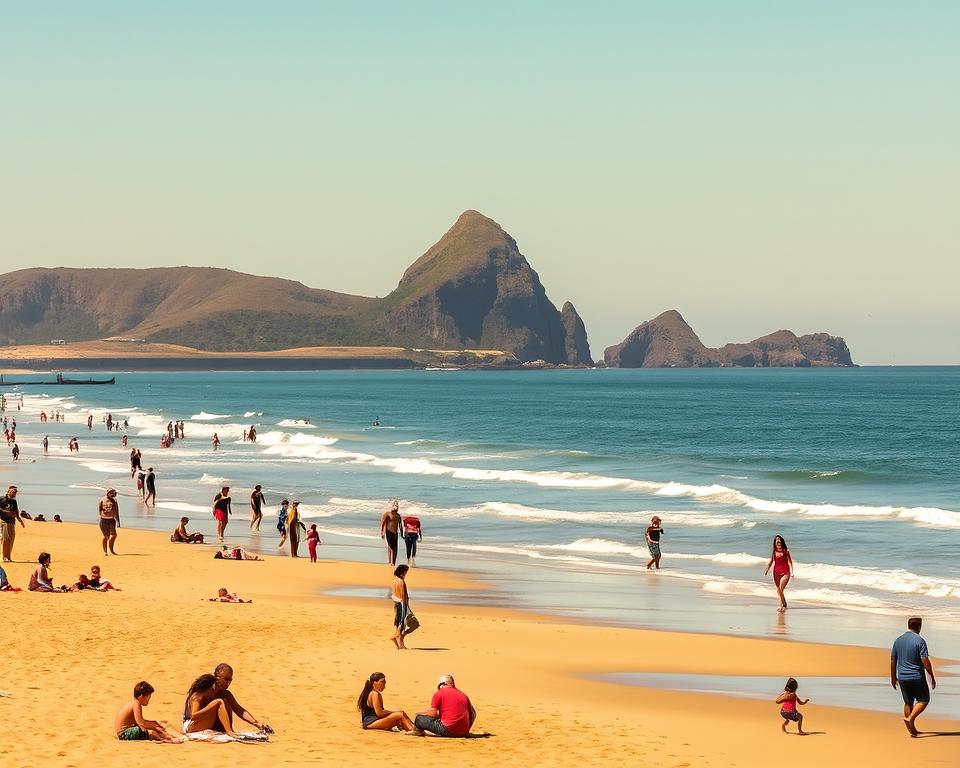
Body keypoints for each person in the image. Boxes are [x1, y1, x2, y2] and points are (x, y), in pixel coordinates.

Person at [183, 663, 271, 734]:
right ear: (217, 677)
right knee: (219, 702)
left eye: (230, 680)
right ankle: (229, 732)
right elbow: (193, 715)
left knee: (226, 702)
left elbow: (239, 710)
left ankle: (227, 730)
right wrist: (213, 705)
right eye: (226, 679)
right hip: (192, 725)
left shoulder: (225, 693)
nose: (229, 683)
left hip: (207, 724)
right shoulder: (202, 691)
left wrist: (257, 723)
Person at [892, 616, 936, 736]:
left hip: (902, 677)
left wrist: (893, 677)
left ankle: (912, 730)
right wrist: (931, 675)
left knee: (908, 702)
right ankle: (910, 718)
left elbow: (893, 660)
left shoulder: (898, 640)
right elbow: (924, 659)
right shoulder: (920, 641)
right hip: (916, 676)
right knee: (924, 699)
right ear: (919, 627)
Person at [115, 681, 182, 742]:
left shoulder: (133, 703)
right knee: (151, 731)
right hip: (124, 734)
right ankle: (168, 739)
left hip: (125, 732)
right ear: (141, 696)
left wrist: (153, 724)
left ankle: (169, 737)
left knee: (154, 726)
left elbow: (140, 722)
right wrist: (154, 726)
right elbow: (141, 723)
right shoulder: (136, 704)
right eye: (148, 697)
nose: (149, 700)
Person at [764, 535, 794, 612]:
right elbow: (771, 562)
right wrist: (767, 570)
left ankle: (781, 607)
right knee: (778, 590)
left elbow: (790, 562)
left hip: (786, 571)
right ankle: (784, 603)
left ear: (781, 542)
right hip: (776, 572)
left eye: (779, 540)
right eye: (776, 540)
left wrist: (792, 572)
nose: (778, 541)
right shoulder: (774, 551)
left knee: (781, 588)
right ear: (775, 543)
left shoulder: (786, 551)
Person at [1, 485, 25, 563]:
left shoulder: (14, 502)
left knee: (11, 539)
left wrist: (21, 521)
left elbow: (16, 513)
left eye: (15, 493)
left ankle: (8, 556)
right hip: (4, 521)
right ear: (8, 492)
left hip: (12, 522)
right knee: (6, 539)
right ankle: (4, 557)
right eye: (13, 492)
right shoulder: (1, 499)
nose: (15, 494)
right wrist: (5, 512)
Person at [391, 564, 411, 650]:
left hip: (397, 604)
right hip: (402, 605)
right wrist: (407, 607)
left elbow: (393, 594)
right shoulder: (401, 582)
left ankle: (399, 644)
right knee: (402, 624)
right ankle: (397, 638)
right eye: (405, 572)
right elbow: (403, 596)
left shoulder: (396, 580)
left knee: (399, 623)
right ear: (402, 573)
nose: (406, 574)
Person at [98, 488, 121, 556]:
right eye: (111, 493)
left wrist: (118, 521)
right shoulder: (102, 499)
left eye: (113, 493)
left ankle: (111, 550)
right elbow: (99, 510)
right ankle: (105, 551)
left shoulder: (114, 501)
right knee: (106, 536)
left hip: (111, 520)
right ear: (107, 493)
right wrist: (103, 515)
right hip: (103, 520)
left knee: (114, 535)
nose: (112, 494)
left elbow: (117, 512)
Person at [380, 500, 401, 566]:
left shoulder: (398, 515)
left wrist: (403, 533)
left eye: (397, 505)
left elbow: (400, 525)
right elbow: (382, 523)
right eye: (394, 505)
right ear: (391, 506)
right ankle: (391, 562)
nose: (395, 506)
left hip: (395, 533)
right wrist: (382, 532)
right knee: (391, 547)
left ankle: (391, 561)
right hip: (389, 531)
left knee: (393, 547)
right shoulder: (387, 514)